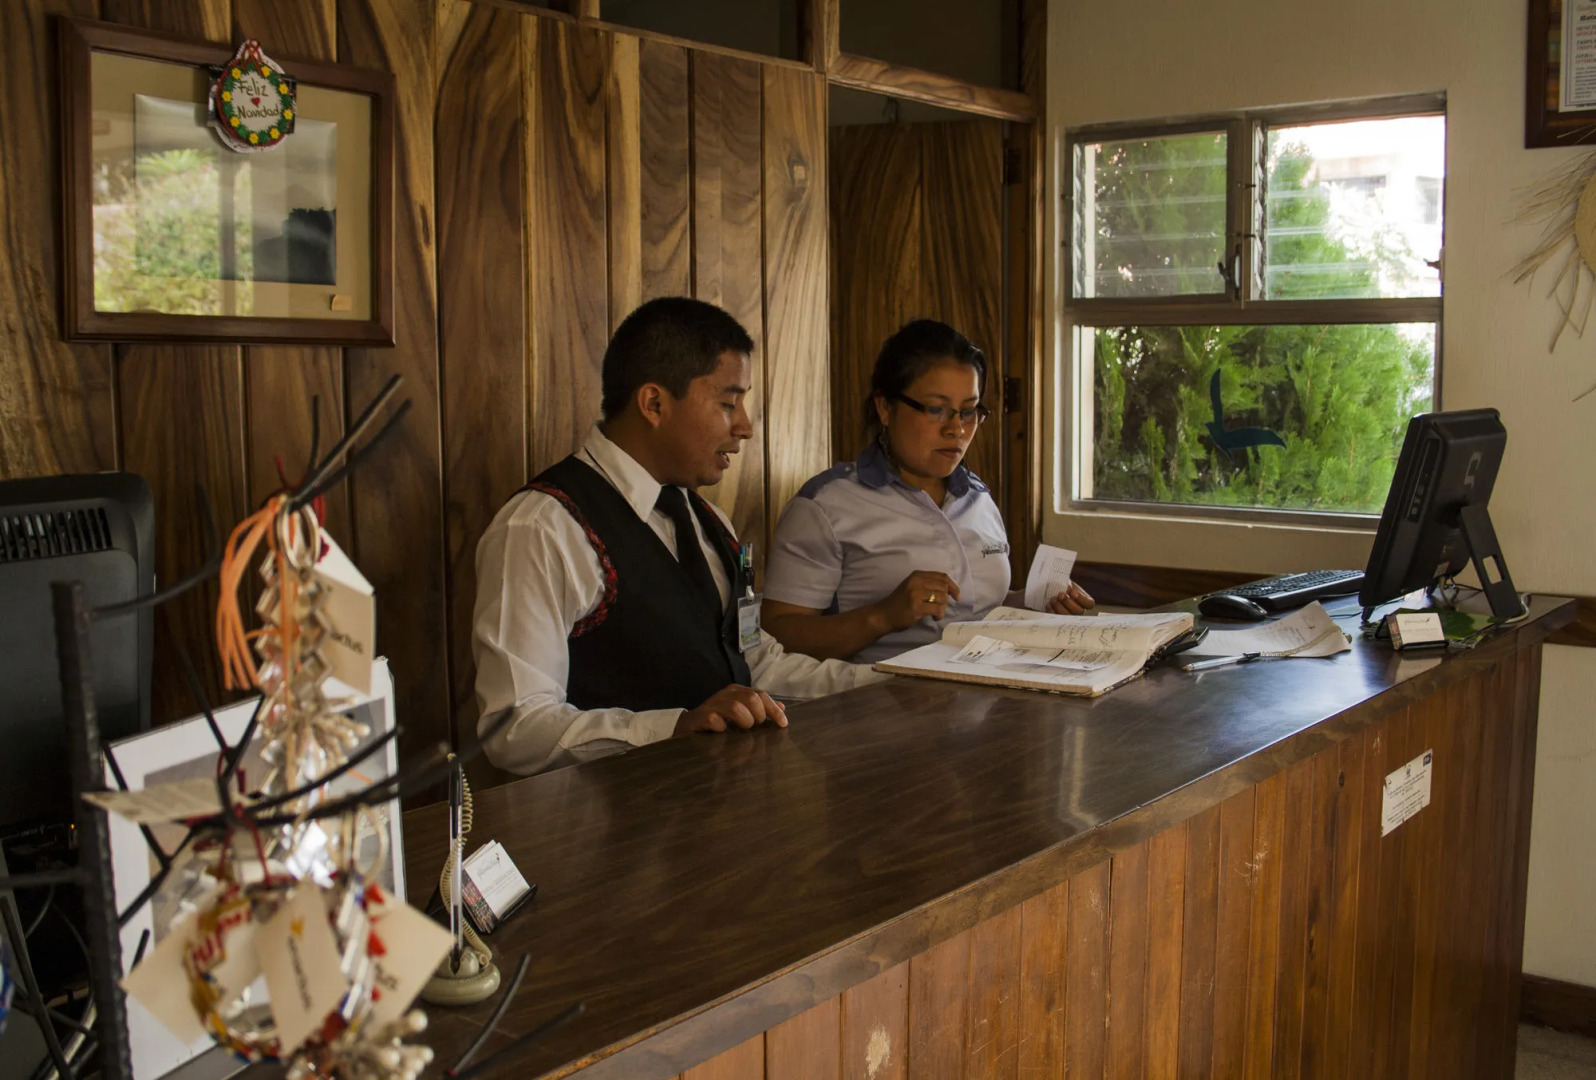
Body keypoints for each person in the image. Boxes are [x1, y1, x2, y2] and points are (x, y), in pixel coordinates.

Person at [473, 297, 885, 775]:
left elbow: (754, 661)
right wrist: (673, 727)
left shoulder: (711, 521)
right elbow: (513, 728)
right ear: (654, 403)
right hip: (608, 832)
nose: (746, 427)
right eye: (729, 403)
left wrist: (885, 681)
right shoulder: (542, 528)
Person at [761, 319, 1095, 664]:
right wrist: (883, 616)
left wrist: (1033, 601)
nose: (956, 429)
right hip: (874, 704)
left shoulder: (977, 497)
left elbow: (975, 614)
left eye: (969, 411)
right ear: (885, 408)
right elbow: (778, 636)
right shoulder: (827, 505)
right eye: (936, 409)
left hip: (983, 698)